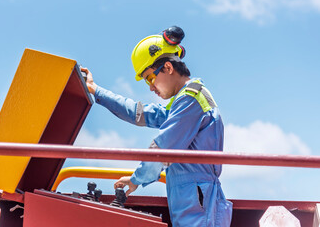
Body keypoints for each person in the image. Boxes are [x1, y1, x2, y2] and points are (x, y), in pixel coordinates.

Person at [81, 26, 232, 227]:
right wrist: (96, 90)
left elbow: (162, 149)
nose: (151, 87)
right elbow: (138, 113)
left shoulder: (191, 100)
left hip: (199, 204)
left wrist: (136, 179)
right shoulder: (182, 102)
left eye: (150, 78)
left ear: (168, 68)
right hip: (194, 199)